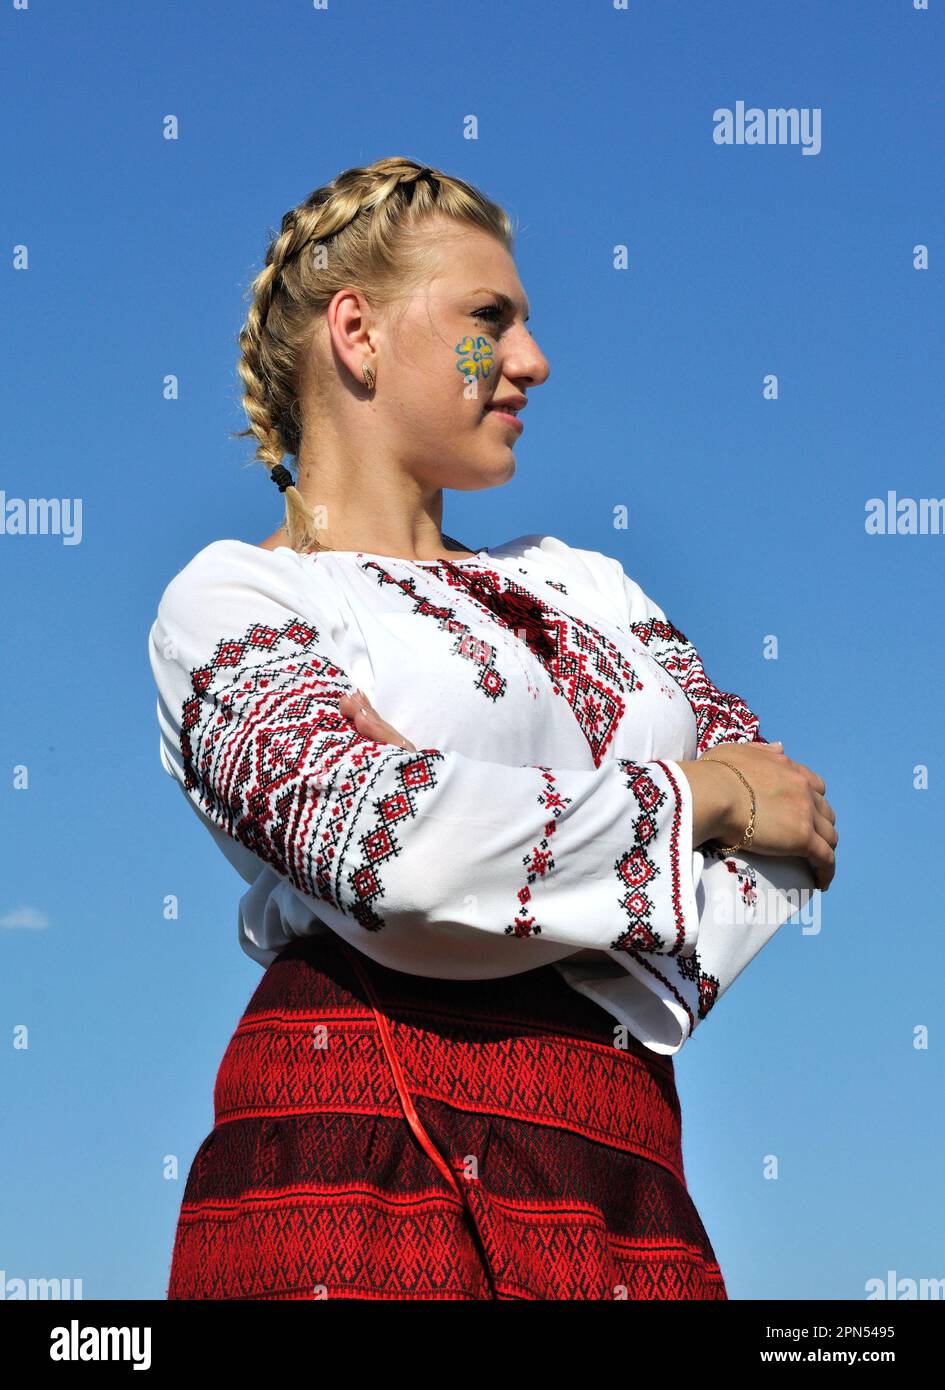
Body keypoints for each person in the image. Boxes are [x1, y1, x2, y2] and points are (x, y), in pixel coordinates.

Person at [148, 156, 837, 1301]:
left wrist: (471, 838)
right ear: (357, 334)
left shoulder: (593, 587)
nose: (533, 359)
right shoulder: (234, 603)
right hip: (352, 1163)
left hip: (619, 1170)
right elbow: (391, 850)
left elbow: (794, 837)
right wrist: (697, 798)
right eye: (489, 318)